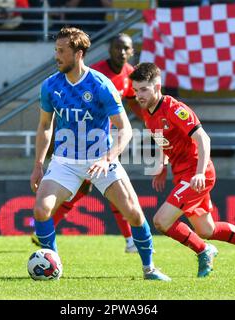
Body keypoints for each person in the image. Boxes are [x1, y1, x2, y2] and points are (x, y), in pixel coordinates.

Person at [30, 27, 170, 281]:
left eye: (62, 51)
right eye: (56, 51)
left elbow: (125, 128)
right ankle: (52, 262)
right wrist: (39, 164)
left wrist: (108, 158)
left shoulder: (100, 84)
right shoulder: (50, 86)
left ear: (79, 54)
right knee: (41, 209)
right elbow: (44, 126)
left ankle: (149, 268)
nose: (57, 56)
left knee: (134, 212)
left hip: (101, 159)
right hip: (65, 162)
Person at [129, 62, 235, 278]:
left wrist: (199, 172)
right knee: (206, 230)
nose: (138, 95)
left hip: (197, 173)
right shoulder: (149, 115)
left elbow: (203, 138)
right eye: (135, 90)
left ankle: (203, 250)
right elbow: (162, 140)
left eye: (143, 89)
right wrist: (161, 167)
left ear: (157, 86)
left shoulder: (174, 109)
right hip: (183, 175)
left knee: (161, 221)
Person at [31, 33, 143, 254]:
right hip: (69, 151)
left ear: (131, 52)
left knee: (117, 199)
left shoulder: (128, 75)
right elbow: (46, 124)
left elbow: (135, 107)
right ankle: (128, 239)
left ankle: (136, 247)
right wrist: (39, 162)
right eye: (117, 47)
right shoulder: (97, 74)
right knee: (84, 189)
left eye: (126, 48)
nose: (121, 52)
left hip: (104, 148)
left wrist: (156, 131)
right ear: (109, 49)